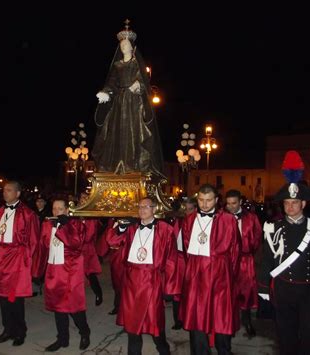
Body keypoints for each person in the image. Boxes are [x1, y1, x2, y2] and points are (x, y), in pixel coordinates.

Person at [258, 151, 310, 355]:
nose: (290, 206)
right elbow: (267, 259)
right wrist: (263, 286)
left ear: (303, 204)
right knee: (286, 335)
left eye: (294, 203)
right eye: (286, 203)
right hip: (284, 290)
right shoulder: (272, 228)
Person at [105, 197, 179, 355]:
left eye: (146, 206)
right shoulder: (131, 227)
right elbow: (111, 240)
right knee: (132, 328)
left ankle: (164, 350)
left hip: (152, 281)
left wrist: (170, 287)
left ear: (154, 209)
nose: (142, 209)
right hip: (132, 281)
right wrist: (122, 228)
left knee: (155, 327)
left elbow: (172, 260)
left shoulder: (165, 229)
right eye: (139, 206)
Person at [92, 21, 164, 176]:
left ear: (132, 47)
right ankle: (114, 163)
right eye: (121, 45)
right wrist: (105, 92)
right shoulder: (117, 65)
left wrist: (138, 84)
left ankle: (134, 163)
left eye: (126, 44)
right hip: (119, 101)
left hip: (133, 103)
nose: (124, 47)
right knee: (113, 130)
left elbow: (143, 80)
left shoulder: (136, 64)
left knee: (134, 131)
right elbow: (111, 82)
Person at [180, 184, 241, 355]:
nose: (204, 204)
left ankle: (224, 350)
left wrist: (230, 277)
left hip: (220, 274)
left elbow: (235, 251)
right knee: (196, 316)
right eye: (201, 200)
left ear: (216, 200)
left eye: (208, 200)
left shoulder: (228, 220)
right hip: (196, 274)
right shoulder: (189, 219)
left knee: (221, 316)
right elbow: (186, 248)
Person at [33, 197, 91, 352]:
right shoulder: (47, 224)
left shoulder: (76, 224)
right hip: (54, 270)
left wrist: (64, 226)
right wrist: (38, 270)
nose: (56, 212)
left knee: (73, 306)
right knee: (58, 306)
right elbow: (42, 248)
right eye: (54, 208)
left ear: (67, 210)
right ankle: (62, 338)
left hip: (71, 270)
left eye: (60, 209)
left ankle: (84, 332)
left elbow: (76, 245)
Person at [0, 180, 39, 346]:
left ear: (18, 194)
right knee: (3, 297)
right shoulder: (1, 211)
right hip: (0, 257)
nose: (5, 193)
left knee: (15, 298)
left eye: (9, 190)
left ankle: (20, 331)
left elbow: (33, 241)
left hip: (17, 259)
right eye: (4, 190)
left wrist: (26, 261)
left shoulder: (28, 214)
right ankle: (7, 330)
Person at [225, 189, 262, 337]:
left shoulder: (251, 218)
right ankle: (228, 324)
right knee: (228, 292)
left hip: (245, 260)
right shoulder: (221, 217)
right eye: (228, 203)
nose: (231, 206)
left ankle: (246, 321)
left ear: (240, 202)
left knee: (246, 292)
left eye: (234, 203)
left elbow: (258, 236)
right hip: (227, 261)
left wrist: (249, 252)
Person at [171, 197, 197, 330]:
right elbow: (173, 239)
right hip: (179, 259)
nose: (188, 213)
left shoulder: (198, 222)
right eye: (185, 210)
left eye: (190, 210)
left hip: (192, 260)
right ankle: (178, 320)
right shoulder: (179, 221)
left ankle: (189, 318)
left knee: (191, 291)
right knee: (177, 291)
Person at [96, 217, 125, 315]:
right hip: (116, 256)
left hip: (127, 255)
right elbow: (108, 239)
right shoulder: (112, 220)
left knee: (127, 285)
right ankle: (117, 306)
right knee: (116, 283)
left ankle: (125, 309)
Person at [82, 217, 103, 306]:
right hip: (76, 249)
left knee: (90, 274)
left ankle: (98, 294)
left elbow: (88, 237)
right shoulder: (74, 217)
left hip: (87, 250)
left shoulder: (91, 219)